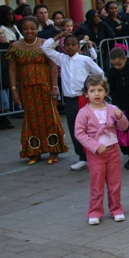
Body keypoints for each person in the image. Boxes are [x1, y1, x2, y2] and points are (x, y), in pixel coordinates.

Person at [7, 16, 68, 164]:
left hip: (45, 87)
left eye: (32, 28)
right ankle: (34, 151)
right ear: (22, 29)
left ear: (37, 29)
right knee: (31, 119)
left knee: (50, 117)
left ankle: (53, 150)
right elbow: (12, 69)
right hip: (26, 89)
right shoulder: (15, 46)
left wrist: (55, 87)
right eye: (26, 29)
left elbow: (53, 67)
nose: (29, 31)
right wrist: (14, 90)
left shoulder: (43, 44)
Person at [42, 31, 104, 171]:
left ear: (78, 46)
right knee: (74, 128)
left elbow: (99, 73)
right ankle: (82, 156)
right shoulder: (62, 59)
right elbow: (45, 48)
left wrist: (94, 90)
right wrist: (58, 36)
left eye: (73, 45)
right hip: (69, 100)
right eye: (67, 45)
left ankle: (95, 153)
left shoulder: (84, 60)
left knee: (89, 127)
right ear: (63, 47)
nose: (70, 47)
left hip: (83, 98)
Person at [74, 74, 128, 225]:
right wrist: (96, 146)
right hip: (95, 154)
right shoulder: (83, 113)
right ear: (86, 94)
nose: (96, 94)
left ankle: (117, 209)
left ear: (106, 92)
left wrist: (120, 117)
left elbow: (124, 127)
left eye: (100, 90)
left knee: (114, 183)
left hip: (113, 151)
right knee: (97, 184)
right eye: (92, 91)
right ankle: (95, 211)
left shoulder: (112, 109)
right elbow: (79, 133)